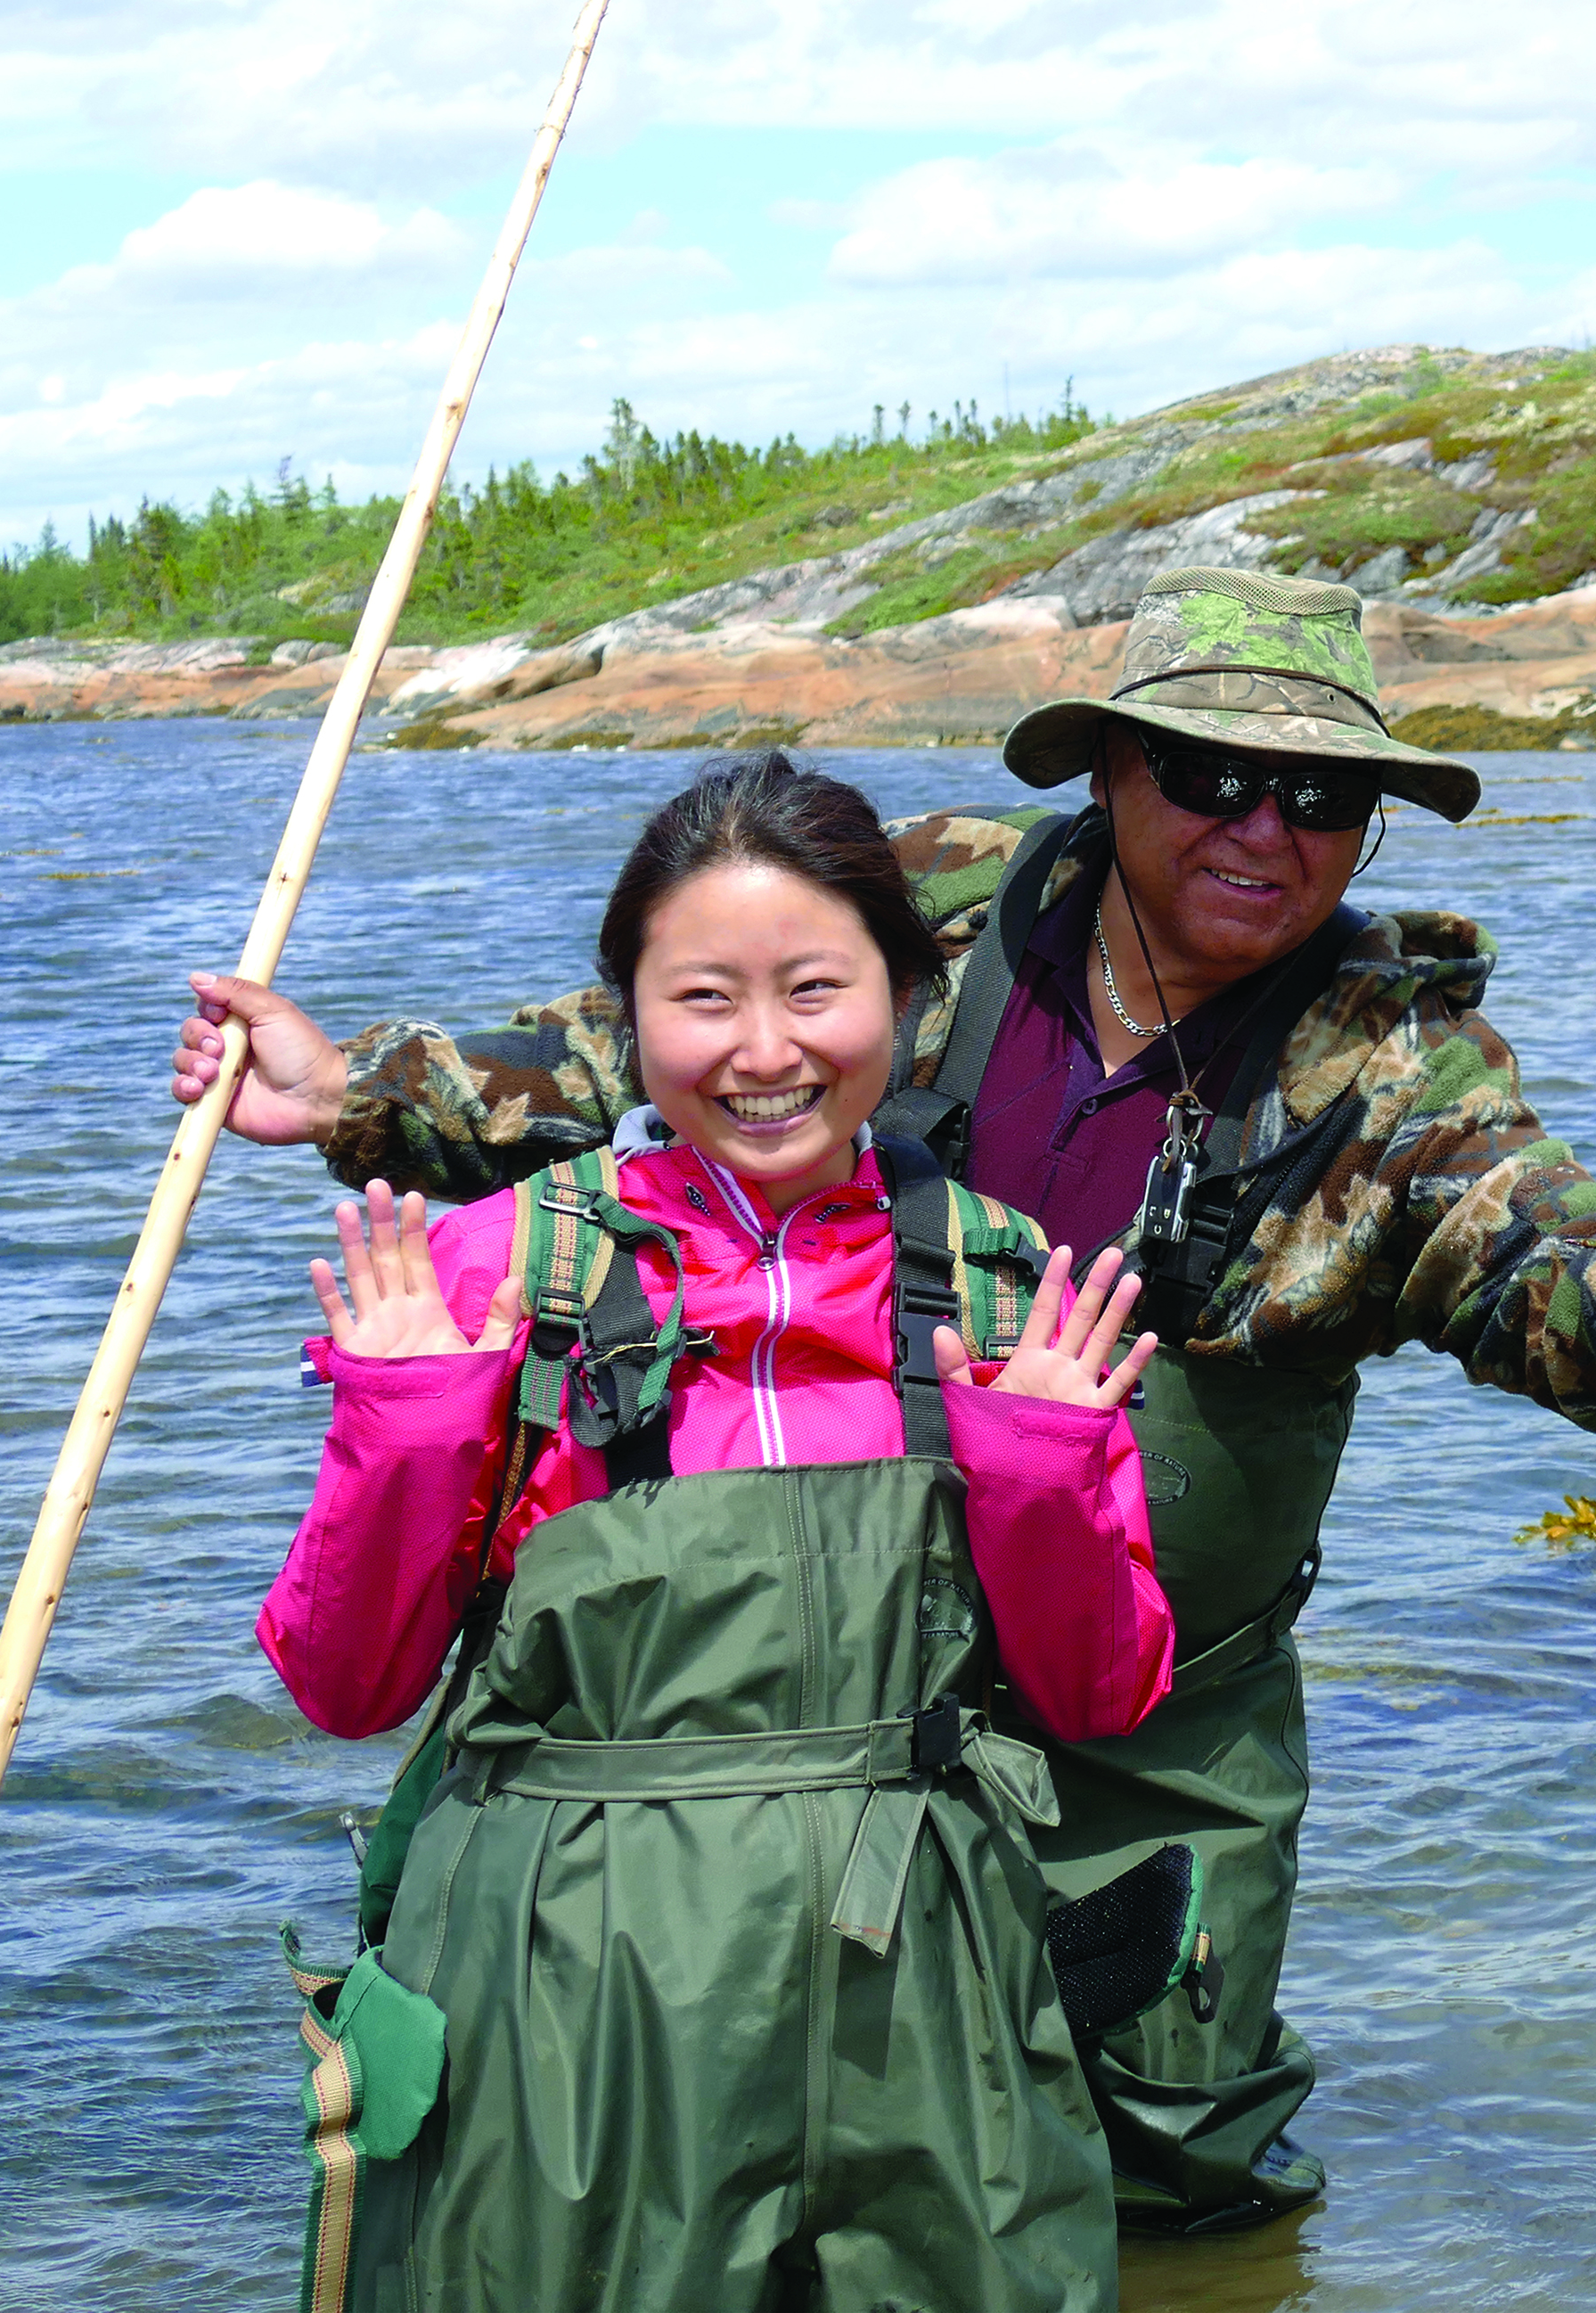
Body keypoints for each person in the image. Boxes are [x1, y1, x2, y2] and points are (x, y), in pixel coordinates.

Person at [184, 567, 1596, 2243]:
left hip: (1155, 1722)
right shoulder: (951, 900)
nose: (1266, 827)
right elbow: (675, 1027)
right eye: (1209, 774)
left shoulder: (1403, 1069)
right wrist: (363, 1097)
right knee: (798, 2164)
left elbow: (1563, 1287)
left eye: (1323, 795)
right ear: (1105, 771)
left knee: (1169, 2164)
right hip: (840, 1701)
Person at [266, 750, 1173, 2312]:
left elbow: (1101, 1700)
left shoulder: (1005, 1277)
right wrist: (407, 1427)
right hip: (573, 1996)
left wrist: (1038, 1465)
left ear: (904, 996)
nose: (764, 1053)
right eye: (704, 1000)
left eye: (817, 990)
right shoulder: (496, 1271)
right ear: (627, 1020)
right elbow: (348, 1691)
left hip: (926, 1995)